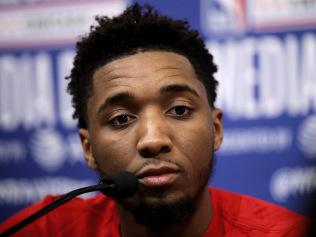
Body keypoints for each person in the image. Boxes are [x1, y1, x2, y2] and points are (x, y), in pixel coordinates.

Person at [0, 3, 310, 237]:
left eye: (179, 110)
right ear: (88, 148)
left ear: (215, 129)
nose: (153, 140)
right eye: (121, 118)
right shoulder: (43, 230)